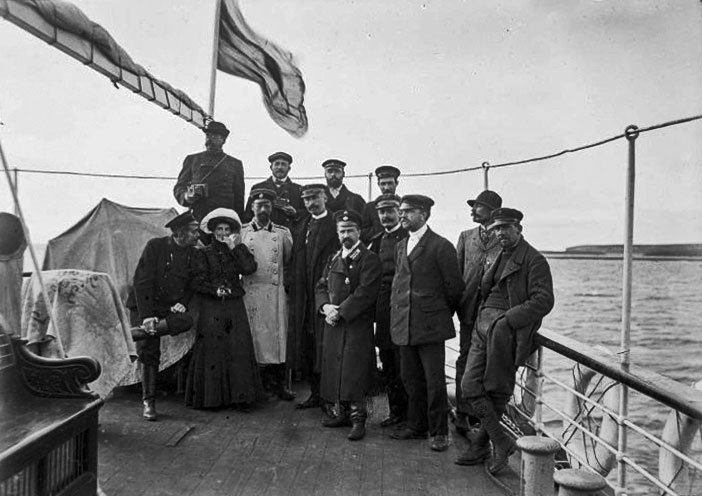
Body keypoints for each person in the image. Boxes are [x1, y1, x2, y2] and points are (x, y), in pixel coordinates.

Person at [456, 207, 554, 474]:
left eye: (505, 228)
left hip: (505, 332)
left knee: (497, 389)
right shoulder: (500, 254)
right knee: (469, 384)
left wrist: (508, 320)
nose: (500, 233)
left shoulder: (534, 260)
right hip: (482, 327)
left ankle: (481, 446)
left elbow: (544, 300)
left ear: (518, 229)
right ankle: (501, 441)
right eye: (497, 228)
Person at [389, 195, 463, 452]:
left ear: (424, 214)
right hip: (405, 324)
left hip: (430, 326)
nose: (402, 215)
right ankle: (417, 426)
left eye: (408, 211)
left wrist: (436, 313)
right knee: (411, 379)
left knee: (434, 382)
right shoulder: (401, 245)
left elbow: (454, 287)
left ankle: (439, 432)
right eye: (401, 211)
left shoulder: (441, 246)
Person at [185, 208, 264, 410]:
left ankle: (240, 398)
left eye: (226, 229)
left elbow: (249, 269)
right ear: (212, 231)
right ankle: (212, 399)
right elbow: (196, 282)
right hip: (212, 307)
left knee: (237, 348)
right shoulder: (203, 253)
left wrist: (235, 248)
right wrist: (215, 290)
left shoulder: (238, 249)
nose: (223, 233)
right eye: (219, 229)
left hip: (234, 305)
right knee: (213, 348)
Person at [127, 211, 200, 421]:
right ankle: (148, 402)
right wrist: (146, 316)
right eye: (194, 232)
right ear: (179, 233)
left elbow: (193, 283)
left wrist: (182, 302)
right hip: (144, 306)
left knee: (186, 320)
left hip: (168, 310)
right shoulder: (156, 246)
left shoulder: (193, 254)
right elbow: (142, 282)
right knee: (150, 352)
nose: (198, 236)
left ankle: (133, 334)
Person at [316, 209, 382, 441]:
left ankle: (358, 419)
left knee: (354, 371)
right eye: (342, 231)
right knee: (336, 370)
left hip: (355, 324)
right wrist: (325, 307)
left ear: (359, 232)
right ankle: (342, 413)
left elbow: (366, 292)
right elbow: (321, 286)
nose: (346, 235)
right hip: (333, 322)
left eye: (350, 230)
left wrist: (341, 312)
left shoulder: (369, 258)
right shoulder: (334, 258)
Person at [453, 190, 503, 436]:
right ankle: (462, 412)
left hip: (493, 315)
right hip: (468, 311)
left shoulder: (503, 238)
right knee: (465, 358)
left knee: (488, 363)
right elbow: (455, 275)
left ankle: (482, 414)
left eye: (478, 206)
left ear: (493, 211)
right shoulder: (466, 237)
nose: (472, 210)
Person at [287, 184, 341, 411]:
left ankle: (330, 398)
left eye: (315, 198)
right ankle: (315, 394)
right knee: (307, 345)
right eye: (306, 199)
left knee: (326, 346)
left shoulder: (335, 224)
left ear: (325, 197)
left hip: (325, 292)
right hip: (303, 295)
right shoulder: (302, 224)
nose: (311, 203)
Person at [241, 188, 295, 401]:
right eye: (259, 205)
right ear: (252, 207)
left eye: (267, 206)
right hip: (250, 293)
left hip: (274, 292)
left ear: (272, 208)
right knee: (254, 340)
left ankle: (279, 385)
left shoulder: (282, 233)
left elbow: (288, 259)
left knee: (277, 340)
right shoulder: (242, 232)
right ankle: (256, 387)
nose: (263, 209)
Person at [367, 193, 409, 428]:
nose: (385, 216)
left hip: (404, 308)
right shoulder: (376, 240)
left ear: (399, 212)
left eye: (390, 210)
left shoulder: (409, 238)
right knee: (388, 361)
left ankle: (409, 414)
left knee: (405, 364)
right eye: (381, 212)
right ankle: (395, 412)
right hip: (384, 309)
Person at [173, 121, 245, 222]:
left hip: (223, 218)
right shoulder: (192, 160)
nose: (209, 139)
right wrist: (187, 196)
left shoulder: (235, 164)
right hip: (198, 216)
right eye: (208, 135)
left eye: (215, 136)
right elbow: (179, 187)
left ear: (223, 140)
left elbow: (239, 198)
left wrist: (238, 222)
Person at [243, 151, 303, 228]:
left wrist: (296, 213)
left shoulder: (298, 189)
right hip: (264, 231)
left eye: (283, 164)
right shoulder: (258, 187)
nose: (280, 167)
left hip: (290, 232)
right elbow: (248, 215)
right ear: (271, 167)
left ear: (289, 168)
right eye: (277, 164)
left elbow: (307, 214)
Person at [361, 165, 400, 243]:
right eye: (383, 184)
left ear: (396, 183)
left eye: (390, 183)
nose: (386, 188)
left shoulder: (404, 205)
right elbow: (363, 233)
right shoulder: (369, 208)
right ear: (378, 184)